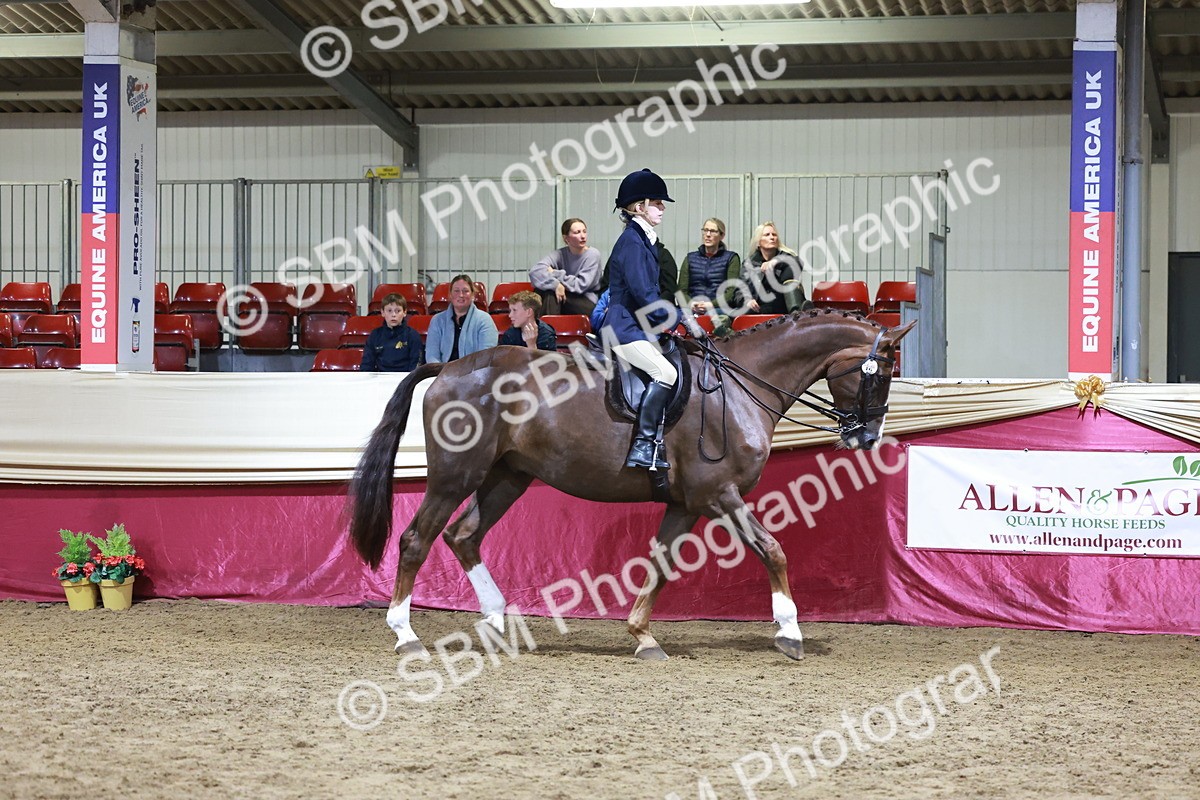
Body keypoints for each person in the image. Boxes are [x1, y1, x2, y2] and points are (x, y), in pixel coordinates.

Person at [603, 168, 679, 473]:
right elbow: (644, 293)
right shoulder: (633, 243)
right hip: (624, 327)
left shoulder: (643, 239)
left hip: (635, 324)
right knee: (665, 372)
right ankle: (645, 445)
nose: (662, 208)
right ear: (638, 206)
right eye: (657, 202)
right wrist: (671, 319)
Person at [529, 218, 602, 317]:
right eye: (577, 232)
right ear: (566, 238)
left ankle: (547, 330)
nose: (583, 236)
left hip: (587, 301)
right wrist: (556, 285)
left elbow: (580, 285)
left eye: (584, 231)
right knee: (548, 290)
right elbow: (535, 271)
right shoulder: (560, 254)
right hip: (566, 298)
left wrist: (554, 273)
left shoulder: (593, 254)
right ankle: (549, 329)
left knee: (550, 292)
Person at [679, 217, 740, 333]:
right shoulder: (690, 258)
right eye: (705, 230)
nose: (708, 234)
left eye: (713, 231)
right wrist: (692, 304)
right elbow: (682, 290)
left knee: (715, 318)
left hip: (719, 308)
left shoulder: (731, 258)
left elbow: (731, 292)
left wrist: (710, 304)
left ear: (722, 236)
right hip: (693, 308)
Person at [425, 274, 499, 363]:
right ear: (450, 295)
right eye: (456, 291)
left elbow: (485, 357)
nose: (461, 295)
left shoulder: (485, 320)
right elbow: (432, 356)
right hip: (442, 373)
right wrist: (440, 374)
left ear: (472, 295)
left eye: (465, 291)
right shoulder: (437, 320)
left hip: (474, 373)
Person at [740, 221, 808, 315]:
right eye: (767, 235)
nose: (772, 237)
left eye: (774, 235)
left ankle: (796, 312)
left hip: (783, 304)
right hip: (760, 306)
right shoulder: (749, 264)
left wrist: (776, 261)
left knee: (791, 272)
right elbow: (739, 289)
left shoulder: (785, 256)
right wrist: (747, 300)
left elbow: (799, 262)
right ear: (758, 242)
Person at [360, 293, 423, 372]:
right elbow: (367, 364)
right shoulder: (375, 335)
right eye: (389, 311)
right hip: (380, 379)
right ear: (382, 312)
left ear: (404, 312)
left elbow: (416, 365)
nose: (393, 315)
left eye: (398, 311)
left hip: (406, 378)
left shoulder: (413, 335)